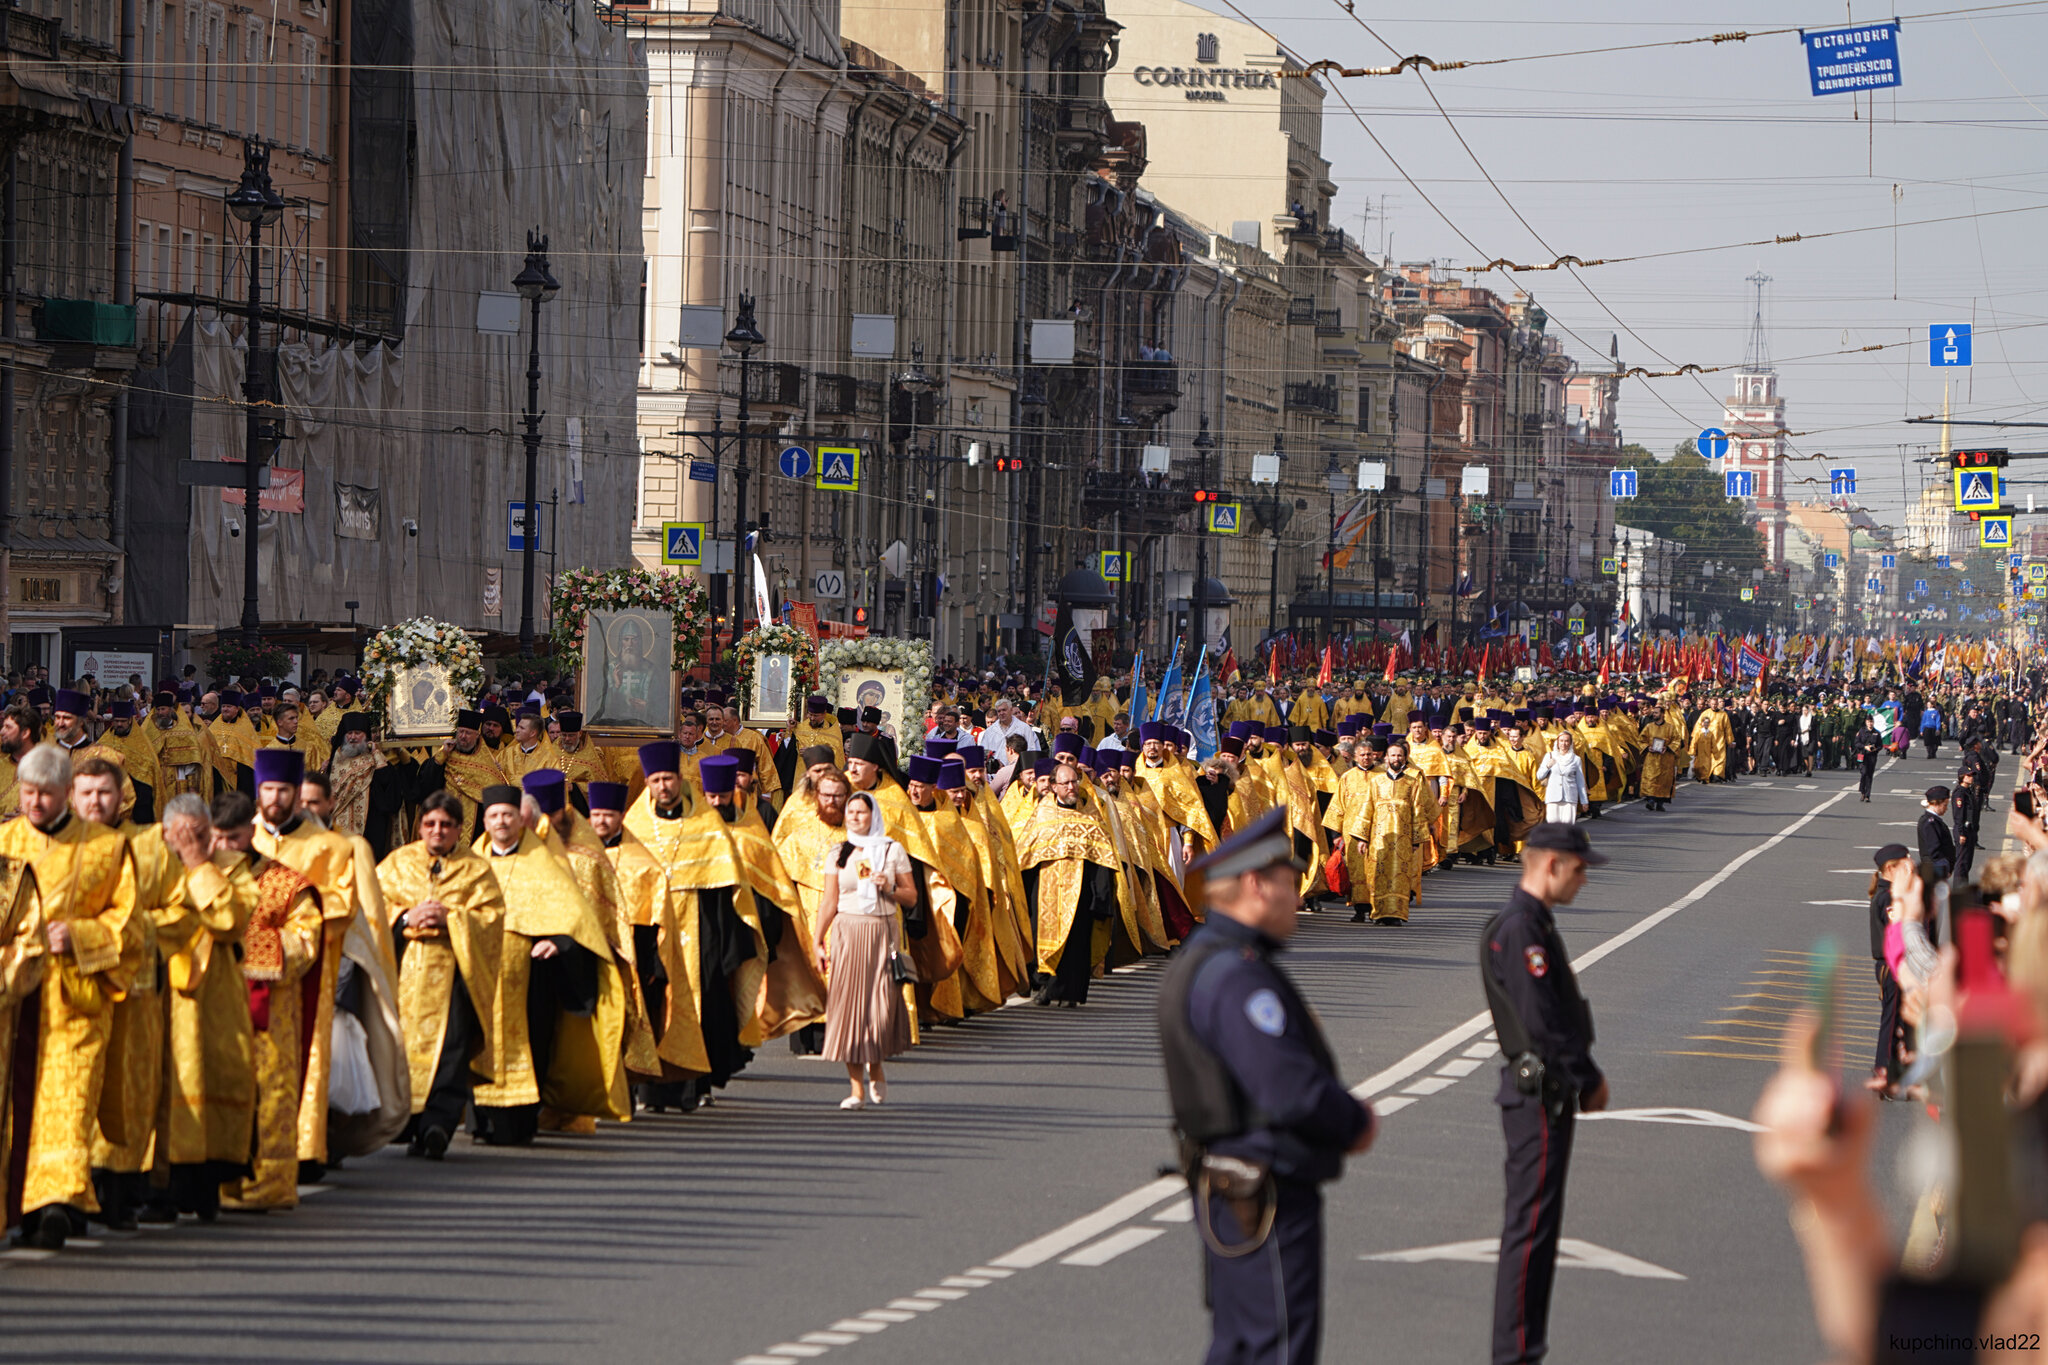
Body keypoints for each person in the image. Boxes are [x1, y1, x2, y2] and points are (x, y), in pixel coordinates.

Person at [1157, 806, 1376, 1365]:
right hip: (1266, 1187)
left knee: (1241, 1346)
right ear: (1255, 884)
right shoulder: (1236, 973)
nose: (1297, 899)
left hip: (1235, 1184)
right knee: (1275, 1348)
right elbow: (1287, 1087)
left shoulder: (1207, 959)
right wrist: (1351, 1120)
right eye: (1288, 883)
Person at [1481, 821, 1609, 1365]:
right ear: (1551, 864)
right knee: (1530, 1229)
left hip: (1545, 1093)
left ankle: (1525, 1346)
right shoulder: (1522, 930)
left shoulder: (1532, 924)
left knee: (1539, 1227)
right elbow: (1541, 1021)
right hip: (1540, 1093)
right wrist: (1588, 1076)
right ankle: (1516, 1352)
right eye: (1578, 870)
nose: (1583, 880)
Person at [812, 790, 915, 1109]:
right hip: (847, 932)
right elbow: (829, 901)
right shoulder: (838, 853)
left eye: (861, 812)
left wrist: (890, 888)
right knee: (848, 1010)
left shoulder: (891, 850)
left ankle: (877, 1066)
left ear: (874, 816)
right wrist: (817, 940)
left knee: (879, 1010)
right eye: (851, 812)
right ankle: (856, 1089)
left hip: (881, 932)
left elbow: (911, 897)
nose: (855, 817)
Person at [1533, 734, 1587, 826]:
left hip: (1569, 797)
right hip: (1553, 797)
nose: (1564, 743)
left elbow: (1580, 781)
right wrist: (1548, 766)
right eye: (1561, 741)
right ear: (1557, 742)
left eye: (1566, 741)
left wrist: (1584, 801)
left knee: (1567, 827)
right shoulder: (1549, 756)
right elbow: (1539, 776)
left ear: (1570, 743)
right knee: (1553, 827)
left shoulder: (1576, 759)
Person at [1917, 785, 1957, 882]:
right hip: (1935, 867)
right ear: (1936, 804)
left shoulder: (1933, 821)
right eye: (1945, 805)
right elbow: (1934, 848)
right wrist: (1944, 865)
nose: (1946, 809)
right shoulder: (1930, 823)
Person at [1850, 715, 1884, 803]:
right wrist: (1865, 747)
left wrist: (1876, 749)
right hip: (1862, 755)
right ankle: (1862, 791)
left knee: (1869, 775)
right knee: (1863, 773)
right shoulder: (1861, 731)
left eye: (1871, 722)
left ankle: (1868, 795)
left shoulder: (1877, 733)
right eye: (1868, 722)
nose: (1870, 723)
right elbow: (1856, 743)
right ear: (1866, 722)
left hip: (1872, 756)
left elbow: (1880, 745)